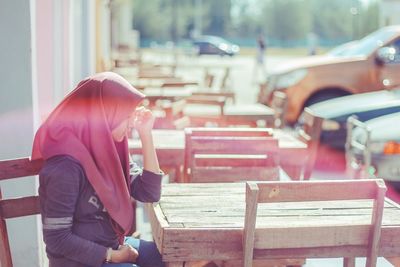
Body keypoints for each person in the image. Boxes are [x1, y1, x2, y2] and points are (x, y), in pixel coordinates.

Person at [32, 72, 165, 267]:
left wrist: (146, 134)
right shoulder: (64, 167)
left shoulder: (110, 150)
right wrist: (112, 256)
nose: (131, 125)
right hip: (78, 261)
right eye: (125, 117)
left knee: (165, 257)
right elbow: (57, 238)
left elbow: (149, 192)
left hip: (112, 245)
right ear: (104, 116)